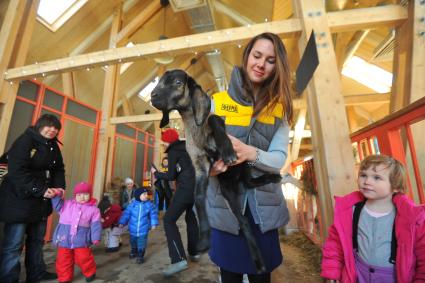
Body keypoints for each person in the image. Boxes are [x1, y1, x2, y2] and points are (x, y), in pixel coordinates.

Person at [207, 32, 293, 283]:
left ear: (278, 67)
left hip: (262, 210)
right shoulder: (218, 103)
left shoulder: (280, 109)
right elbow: (201, 150)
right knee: (230, 275)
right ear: (246, 56)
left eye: (270, 60)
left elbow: (279, 159)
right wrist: (210, 167)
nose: (261, 64)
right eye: (257, 55)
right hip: (226, 207)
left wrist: (250, 153)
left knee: (260, 276)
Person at [321, 154, 425, 283]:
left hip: (393, 277)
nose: (367, 181)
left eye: (377, 178)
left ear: (396, 186)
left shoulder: (411, 217)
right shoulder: (351, 210)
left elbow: (423, 253)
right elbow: (335, 243)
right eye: (363, 175)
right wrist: (332, 271)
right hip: (358, 274)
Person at [0, 114, 66, 283]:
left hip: (40, 202)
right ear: (39, 125)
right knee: (14, 245)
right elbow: (16, 172)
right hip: (18, 201)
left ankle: (36, 273)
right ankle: (8, 278)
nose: (53, 130)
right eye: (49, 126)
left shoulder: (52, 146)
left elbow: (58, 168)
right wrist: (41, 189)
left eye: (56, 127)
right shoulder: (25, 141)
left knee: (37, 240)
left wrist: (59, 187)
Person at [152, 128, 200, 277]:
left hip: (185, 189)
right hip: (197, 189)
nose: (164, 145)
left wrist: (157, 174)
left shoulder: (173, 151)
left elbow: (172, 175)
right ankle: (194, 252)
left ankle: (178, 259)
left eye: (164, 141)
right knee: (191, 219)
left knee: (168, 220)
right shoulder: (186, 149)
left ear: (167, 141)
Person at [51, 182, 102, 283]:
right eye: (79, 195)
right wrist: (57, 194)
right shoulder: (66, 204)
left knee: (84, 258)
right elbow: (56, 203)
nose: (82, 197)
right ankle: (64, 277)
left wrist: (96, 237)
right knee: (63, 260)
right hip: (64, 238)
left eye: (86, 194)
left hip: (81, 240)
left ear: (90, 194)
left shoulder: (94, 210)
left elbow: (96, 225)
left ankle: (90, 272)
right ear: (75, 195)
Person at [118, 187, 158, 264]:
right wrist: (122, 222)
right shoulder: (132, 205)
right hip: (133, 229)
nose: (146, 196)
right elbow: (126, 214)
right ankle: (134, 250)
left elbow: (153, 214)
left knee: (141, 243)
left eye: (146, 194)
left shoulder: (149, 205)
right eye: (144, 194)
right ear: (138, 196)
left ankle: (140, 255)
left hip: (144, 229)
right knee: (133, 241)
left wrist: (153, 224)